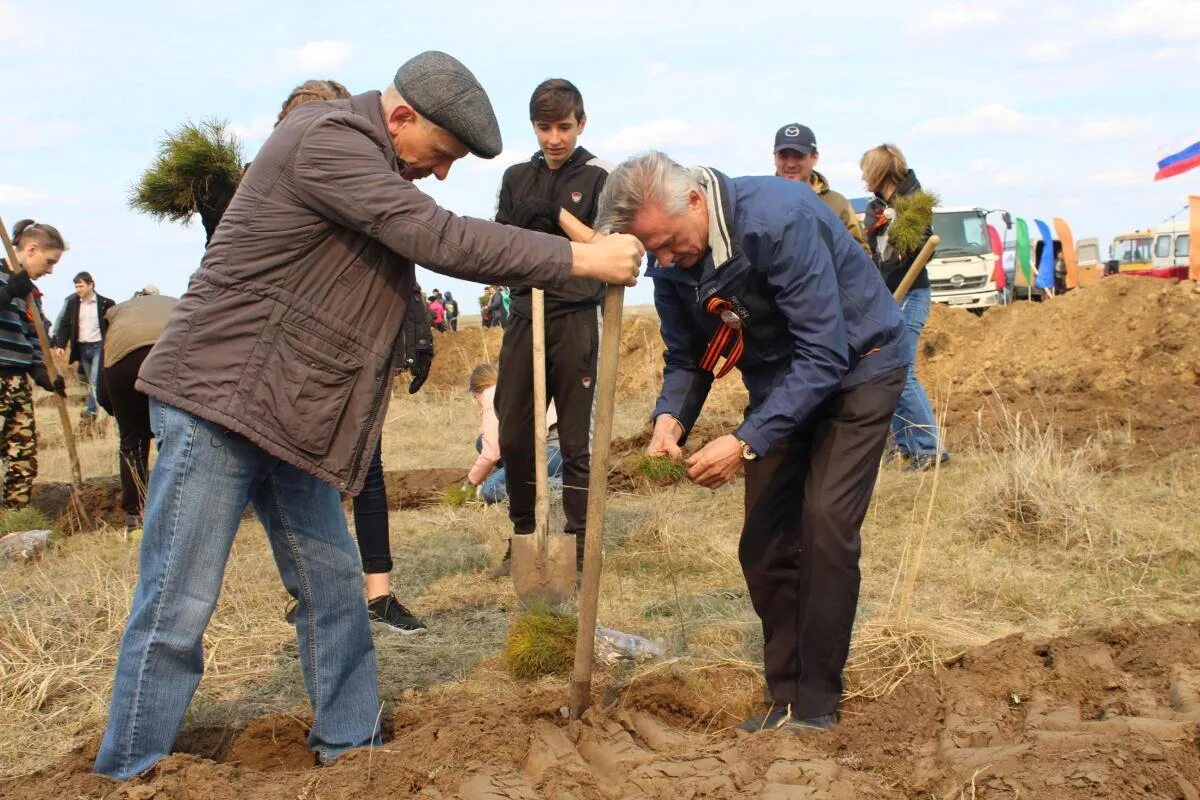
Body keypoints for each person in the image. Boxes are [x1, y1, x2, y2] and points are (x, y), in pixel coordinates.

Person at [94, 51, 642, 780]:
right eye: (441, 155)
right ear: (401, 117)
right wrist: (579, 262)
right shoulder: (327, 140)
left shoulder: (368, 166)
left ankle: (352, 752)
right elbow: (441, 237)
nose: (441, 173)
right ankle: (130, 770)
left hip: (288, 416)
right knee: (178, 603)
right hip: (218, 401)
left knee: (334, 588)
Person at [598, 151, 906, 734]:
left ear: (694, 200)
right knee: (763, 543)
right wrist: (670, 420)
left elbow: (824, 353)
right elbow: (688, 356)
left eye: (666, 244)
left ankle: (816, 706)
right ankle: (783, 696)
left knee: (823, 524)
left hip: (858, 370)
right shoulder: (670, 257)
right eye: (652, 252)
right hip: (781, 383)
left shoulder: (778, 218)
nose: (663, 261)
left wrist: (744, 442)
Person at [490, 78, 609, 576]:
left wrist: (556, 215)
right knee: (515, 433)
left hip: (575, 316)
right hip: (525, 314)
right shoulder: (517, 176)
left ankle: (579, 540)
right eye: (544, 128)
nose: (554, 138)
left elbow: (605, 250)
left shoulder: (601, 178)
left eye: (563, 127)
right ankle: (523, 535)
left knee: (577, 438)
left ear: (581, 123)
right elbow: (497, 248)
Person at [860, 144, 948, 471]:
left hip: (912, 293)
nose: (862, 177)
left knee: (903, 369)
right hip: (888, 296)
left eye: (866, 170)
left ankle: (929, 448)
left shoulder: (914, 205)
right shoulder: (876, 207)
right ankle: (904, 445)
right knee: (889, 369)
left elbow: (918, 248)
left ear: (879, 172)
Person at [94, 286, 177, 531]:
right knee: (180, 436)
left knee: (133, 442)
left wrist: (124, 416)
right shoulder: (176, 301)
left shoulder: (117, 312)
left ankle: (135, 517)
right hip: (172, 353)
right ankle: (177, 510)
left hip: (124, 359)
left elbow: (102, 387)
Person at [0, 220, 67, 509]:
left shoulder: (31, 294)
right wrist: (6, 293)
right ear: (31, 249)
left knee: (22, 457)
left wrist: (41, 371)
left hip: (18, 381)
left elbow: (31, 335)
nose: (50, 270)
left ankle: (15, 520)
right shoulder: (9, 282)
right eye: (49, 261)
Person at [465, 363, 563, 507]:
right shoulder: (515, 385)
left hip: (552, 452)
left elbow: (492, 453)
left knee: (491, 489)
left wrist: (471, 482)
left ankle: (565, 487)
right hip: (558, 450)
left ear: (476, 391)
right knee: (482, 441)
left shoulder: (491, 395)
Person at [772, 123, 868, 254]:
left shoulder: (838, 204)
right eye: (784, 156)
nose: (790, 164)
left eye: (798, 156)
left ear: (814, 158)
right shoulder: (760, 202)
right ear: (775, 158)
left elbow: (861, 256)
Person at [51, 271, 114, 421]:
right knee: (90, 381)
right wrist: (60, 344)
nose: (78, 289)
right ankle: (102, 409)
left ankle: (92, 412)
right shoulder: (73, 303)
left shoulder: (106, 303)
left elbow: (113, 325)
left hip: (99, 346)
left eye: (81, 286)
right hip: (82, 348)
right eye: (76, 286)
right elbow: (65, 324)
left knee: (95, 379)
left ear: (91, 285)